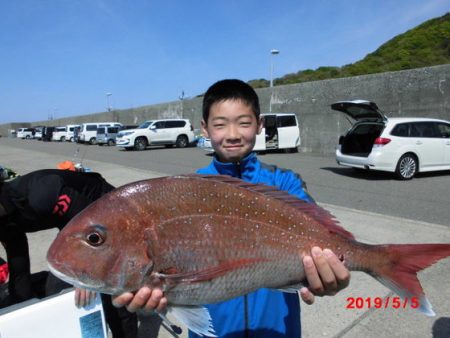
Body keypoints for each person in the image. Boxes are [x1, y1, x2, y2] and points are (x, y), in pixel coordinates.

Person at [113, 79, 350, 337]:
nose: (233, 134)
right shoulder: (189, 190)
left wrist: (333, 271)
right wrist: (158, 299)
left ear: (259, 125)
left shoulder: (284, 183)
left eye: (244, 123)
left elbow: (324, 239)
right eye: (220, 124)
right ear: (204, 129)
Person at [0, 168, 138, 338]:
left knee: (110, 287)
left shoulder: (40, 194)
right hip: (77, 224)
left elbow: (92, 225)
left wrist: (85, 275)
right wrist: (20, 312)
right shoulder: (5, 221)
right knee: (56, 289)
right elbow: (18, 266)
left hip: (105, 208)